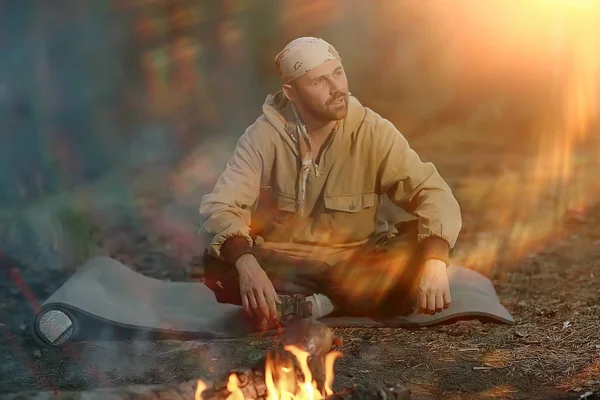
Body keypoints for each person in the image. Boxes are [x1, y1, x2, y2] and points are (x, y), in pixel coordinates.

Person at [198, 37, 462, 329]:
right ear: (292, 92)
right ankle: (335, 300)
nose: (338, 89)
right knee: (220, 260)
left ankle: (317, 304)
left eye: (338, 73)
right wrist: (247, 264)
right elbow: (221, 206)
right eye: (320, 81)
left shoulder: (372, 131)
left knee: (419, 248)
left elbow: (433, 192)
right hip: (286, 265)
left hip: (355, 265)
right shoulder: (262, 136)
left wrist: (435, 262)